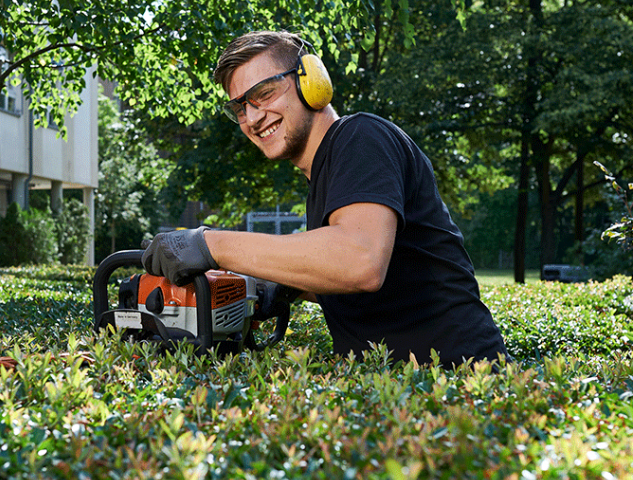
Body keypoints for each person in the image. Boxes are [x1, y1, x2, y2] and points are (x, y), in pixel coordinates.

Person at [142, 30, 510, 367]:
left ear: (311, 83)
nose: (252, 117)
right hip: (393, 396)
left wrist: (209, 243)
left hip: (459, 389)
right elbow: (391, 282)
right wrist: (283, 285)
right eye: (240, 108)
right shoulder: (327, 177)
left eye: (265, 94)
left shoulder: (362, 136)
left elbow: (359, 260)